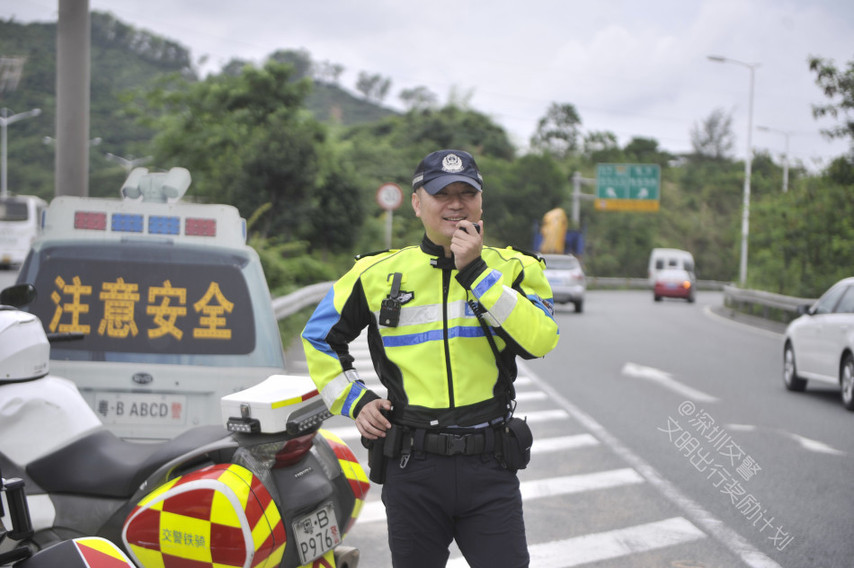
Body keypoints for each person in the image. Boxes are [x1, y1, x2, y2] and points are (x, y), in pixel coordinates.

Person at [301, 149, 559, 567]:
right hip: (412, 466)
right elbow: (318, 338)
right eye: (443, 193)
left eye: (467, 192)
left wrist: (475, 271)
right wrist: (355, 400)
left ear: (481, 201)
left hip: (490, 465)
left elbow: (541, 339)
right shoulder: (374, 275)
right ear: (418, 203)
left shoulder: (515, 268)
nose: (456, 203)